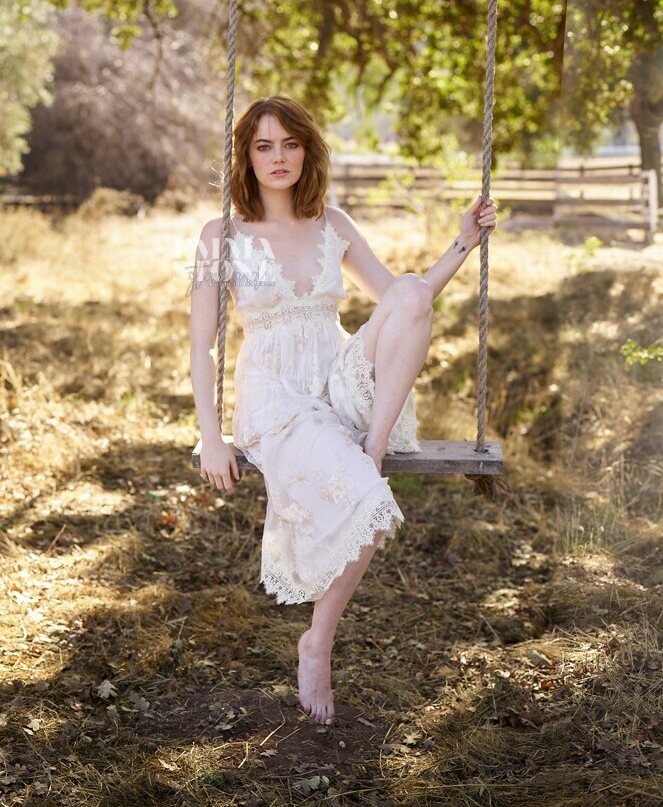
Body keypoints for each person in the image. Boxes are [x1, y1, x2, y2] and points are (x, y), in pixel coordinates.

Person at [189, 96, 497, 725]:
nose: (278, 158)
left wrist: (463, 244)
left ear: (308, 151)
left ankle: (372, 449)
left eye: (290, 144)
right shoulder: (221, 235)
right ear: (246, 157)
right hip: (276, 397)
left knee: (409, 292)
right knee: (370, 506)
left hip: (338, 383)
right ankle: (317, 641)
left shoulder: (333, 224)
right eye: (264, 146)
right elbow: (202, 346)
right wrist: (211, 436)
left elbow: (406, 301)